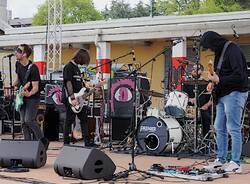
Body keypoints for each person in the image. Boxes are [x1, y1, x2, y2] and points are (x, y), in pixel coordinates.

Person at [200, 31, 248, 173]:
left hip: (235, 92)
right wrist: (212, 83)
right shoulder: (220, 52)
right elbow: (219, 74)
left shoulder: (233, 50)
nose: (209, 50)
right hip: (223, 93)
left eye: (209, 47)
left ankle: (236, 162)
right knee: (219, 126)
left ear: (214, 43)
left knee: (232, 127)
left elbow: (239, 75)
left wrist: (219, 80)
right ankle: (220, 160)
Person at [13, 44, 49, 149]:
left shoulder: (33, 68)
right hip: (22, 96)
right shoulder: (17, 64)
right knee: (23, 122)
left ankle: (43, 141)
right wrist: (12, 85)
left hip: (33, 98)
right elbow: (19, 78)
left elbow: (36, 87)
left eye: (19, 50)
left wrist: (28, 93)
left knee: (29, 120)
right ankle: (27, 145)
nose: (16, 52)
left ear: (24, 54)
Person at [63, 48, 96, 146]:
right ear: (80, 58)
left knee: (84, 120)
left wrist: (90, 90)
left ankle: (87, 142)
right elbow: (68, 83)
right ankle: (66, 143)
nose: (84, 63)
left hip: (79, 99)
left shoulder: (77, 69)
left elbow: (80, 86)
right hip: (71, 98)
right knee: (69, 121)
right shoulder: (68, 67)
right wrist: (72, 98)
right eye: (84, 60)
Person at [183, 63, 212, 137]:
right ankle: (182, 138)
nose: (193, 71)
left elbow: (212, 98)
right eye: (193, 69)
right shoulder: (187, 83)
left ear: (201, 71)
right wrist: (189, 99)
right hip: (190, 109)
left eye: (196, 69)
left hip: (202, 108)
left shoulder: (206, 84)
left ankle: (205, 140)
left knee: (205, 116)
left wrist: (206, 105)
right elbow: (183, 96)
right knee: (178, 115)